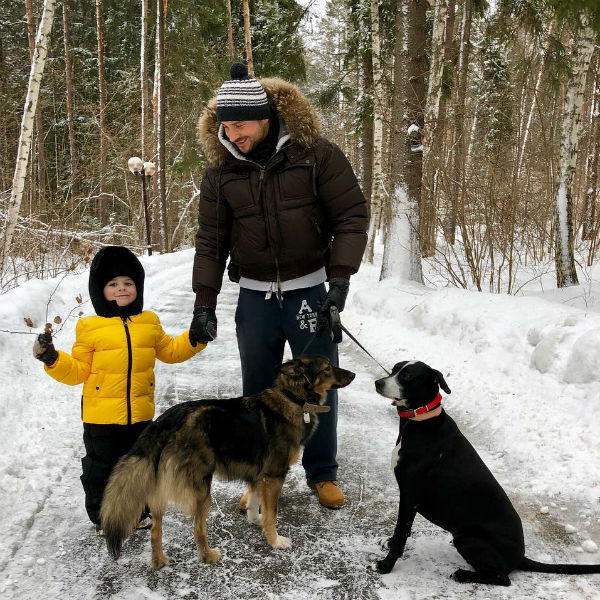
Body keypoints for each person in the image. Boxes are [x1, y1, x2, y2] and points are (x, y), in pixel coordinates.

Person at [189, 63, 368, 509]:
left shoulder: (316, 155)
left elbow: (351, 217)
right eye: (224, 126)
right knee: (258, 391)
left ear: (266, 118)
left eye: (240, 124)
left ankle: (321, 473)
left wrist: (339, 282)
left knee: (319, 383)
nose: (232, 134)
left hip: (309, 289)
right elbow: (211, 242)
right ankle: (259, 476)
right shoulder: (220, 173)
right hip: (254, 295)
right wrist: (204, 304)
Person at [33, 246, 207, 534]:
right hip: (100, 417)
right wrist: (52, 358)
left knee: (138, 465)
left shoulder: (149, 322)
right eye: (113, 284)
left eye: (128, 283)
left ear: (137, 287)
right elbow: (77, 371)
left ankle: (137, 512)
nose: (122, 289)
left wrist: (196, 338)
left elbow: (172, 351)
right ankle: (104, 518)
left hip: (139, 414)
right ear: (100, 290)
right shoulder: (90, 327)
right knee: (101, 468)